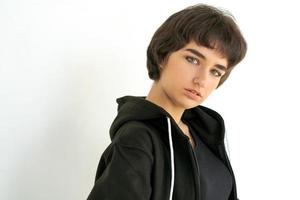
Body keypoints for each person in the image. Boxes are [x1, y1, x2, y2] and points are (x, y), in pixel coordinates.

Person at [87, 3, 247, 200]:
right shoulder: (137, 140)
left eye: (215, 71)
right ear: (163, 55)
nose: (202, 80)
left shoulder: (205, 133)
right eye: (193, 60)